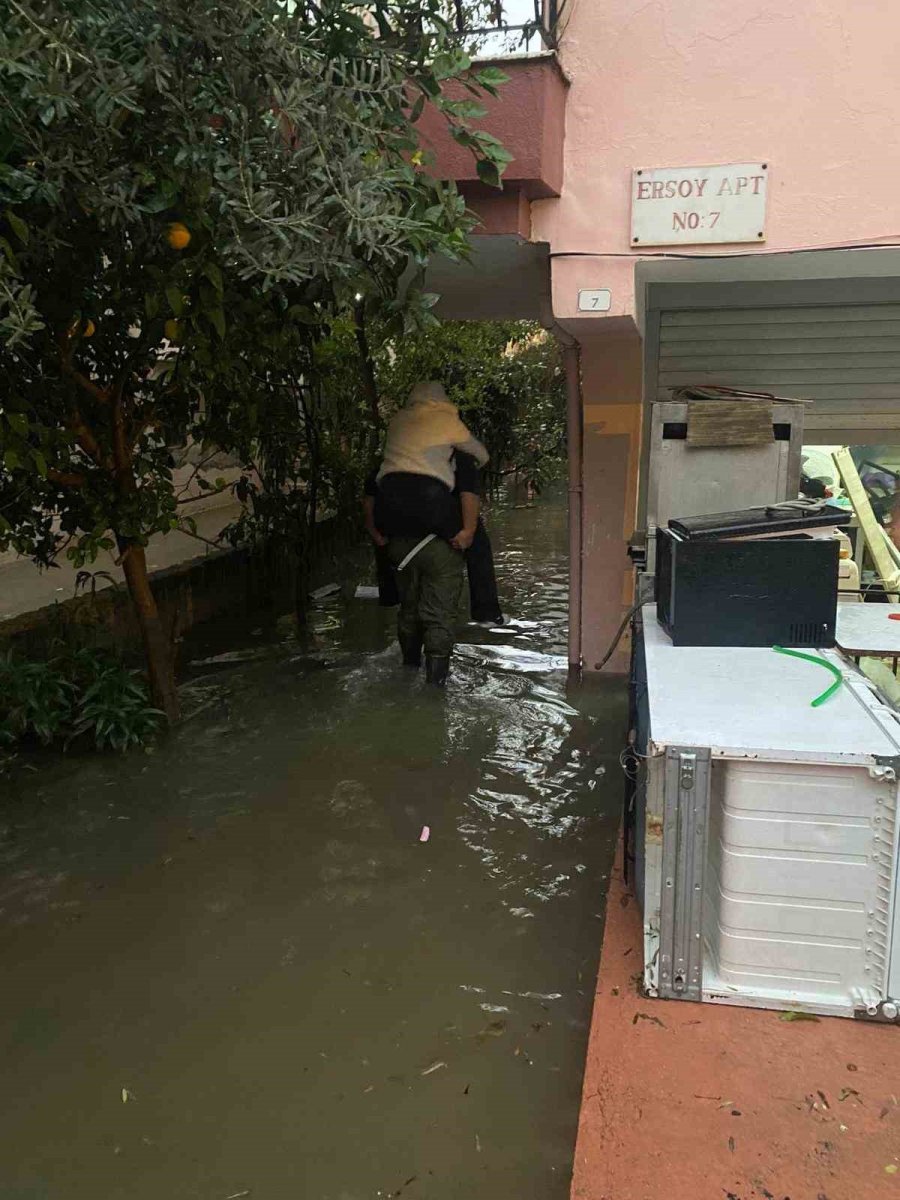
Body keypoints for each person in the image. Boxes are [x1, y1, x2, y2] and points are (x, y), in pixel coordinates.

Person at [366, 381, 489, 685]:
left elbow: (369, 497)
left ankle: (408, 671)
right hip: (439, 544)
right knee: (439, 613)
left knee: (409, 607)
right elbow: (471, 485)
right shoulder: (454, 440)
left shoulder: (394, 444)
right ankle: (434, 691)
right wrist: (469, 532)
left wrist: (376, 534)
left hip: (395, 539)